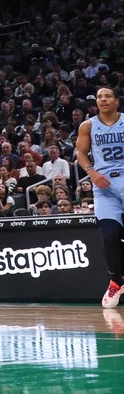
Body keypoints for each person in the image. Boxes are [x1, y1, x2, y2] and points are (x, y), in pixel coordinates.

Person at [76, 87, 124, 307]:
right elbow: (81, 153)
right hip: (104, 186)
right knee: (109, 235)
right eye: (99, 97)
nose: (103, 100)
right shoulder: (87, 126)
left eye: (107, 96)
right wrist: (92, 172)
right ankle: (116, 281)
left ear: (116, 102)